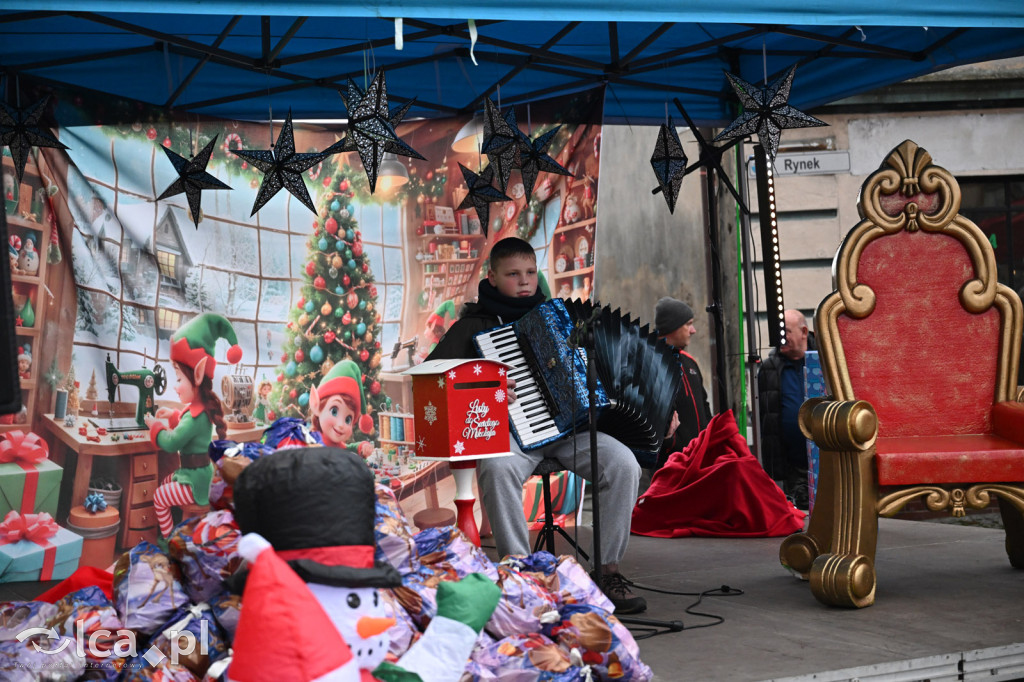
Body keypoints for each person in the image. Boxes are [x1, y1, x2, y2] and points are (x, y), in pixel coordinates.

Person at [427, 237, 646, 614]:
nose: (524, 281)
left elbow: (606, 368)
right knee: (496, 468)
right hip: (511, 433)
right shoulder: (471, 326)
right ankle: (520, 575)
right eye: (513, 274)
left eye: (530, 272)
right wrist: (486, 386)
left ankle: (607, 571)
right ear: (493, 278)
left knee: (623, 464)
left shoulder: (561, 317)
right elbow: (433, 380)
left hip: (570, 430)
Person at [145, 312, 242, 544]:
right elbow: (189, 429)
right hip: (195, 474)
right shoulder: (199, 409)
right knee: (166, 482)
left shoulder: (196, 415)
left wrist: (155, 426)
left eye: (179, 379)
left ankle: (170, 540)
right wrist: (174, 415)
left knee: (159, 497)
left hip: (195, 481)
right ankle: (180, 533)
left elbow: (172, 442)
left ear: (197, 375)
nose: (176, 386)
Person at [757, 309, 816, 508]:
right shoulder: (769, 369)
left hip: (824, 463)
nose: (781, 337)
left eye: (787, 332)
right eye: (778, 332)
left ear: (804, 332)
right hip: (790, 469)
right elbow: (767, 422)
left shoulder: (825, 360)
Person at [652, 297, 712, 471]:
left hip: (701, 462)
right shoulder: (652, 363)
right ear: (673, 327)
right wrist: (670, 444)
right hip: (671, 467)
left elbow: (704, 406)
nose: (693, 331)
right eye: (688, 324)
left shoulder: (690, 362)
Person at [309, 359, 375, 458]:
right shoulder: (311, 443)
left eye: (348, 420)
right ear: (317, 406)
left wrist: (362, 446)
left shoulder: (337, 446)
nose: (340, 425)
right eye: (334, 411)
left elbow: (349, 448)